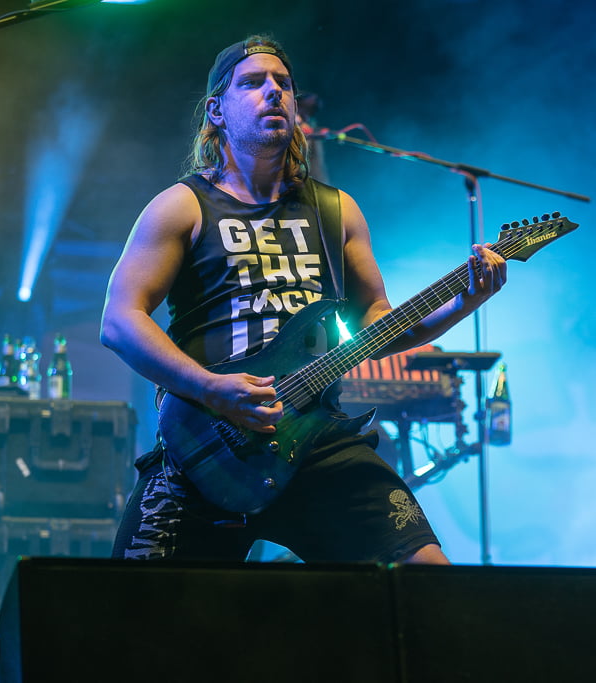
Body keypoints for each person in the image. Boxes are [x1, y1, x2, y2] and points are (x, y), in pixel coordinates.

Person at [100, 35, 506, 565]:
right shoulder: (182, 206)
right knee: (128, 603)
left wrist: (464, 302)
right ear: (217, 111)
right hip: (207, 443)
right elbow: (119, 321)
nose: (274, 91)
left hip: (316, 440)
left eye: (283, 83)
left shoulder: (337, 211)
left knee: (426, 573)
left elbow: (379, 324)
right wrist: (210, 388)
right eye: (253, 82)